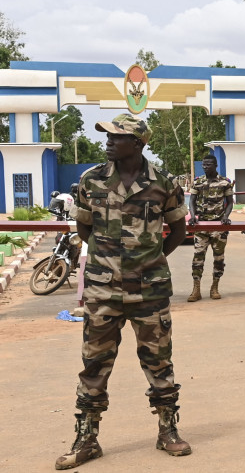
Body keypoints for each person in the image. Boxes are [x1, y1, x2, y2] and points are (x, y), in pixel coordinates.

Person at [56, 114, 191, 469]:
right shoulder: (91, 180)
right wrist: (110, 262)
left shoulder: (163, 183)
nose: (108, 141)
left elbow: (178, 229)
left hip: (150, 291)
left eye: (117, 136)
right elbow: (85, 230)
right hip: (103, 291)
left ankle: (168, 431)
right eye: (108, 136)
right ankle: (86, 439)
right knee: (94, 365)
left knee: (159, 362)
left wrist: (150, 260)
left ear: (138, 142)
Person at [188, 154, 233, 301]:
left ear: (215, 165)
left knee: (218, 258)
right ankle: (196, 289)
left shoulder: (225, 182)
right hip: (201, 227)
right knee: (197, 258)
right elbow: (192, 202)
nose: (206, 167)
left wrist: (226, 216)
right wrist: (193, 216)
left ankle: (215, 287)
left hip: (219, 226)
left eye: (208, 165)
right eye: (204, 165)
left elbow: (230, 202)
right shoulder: (197, 182)